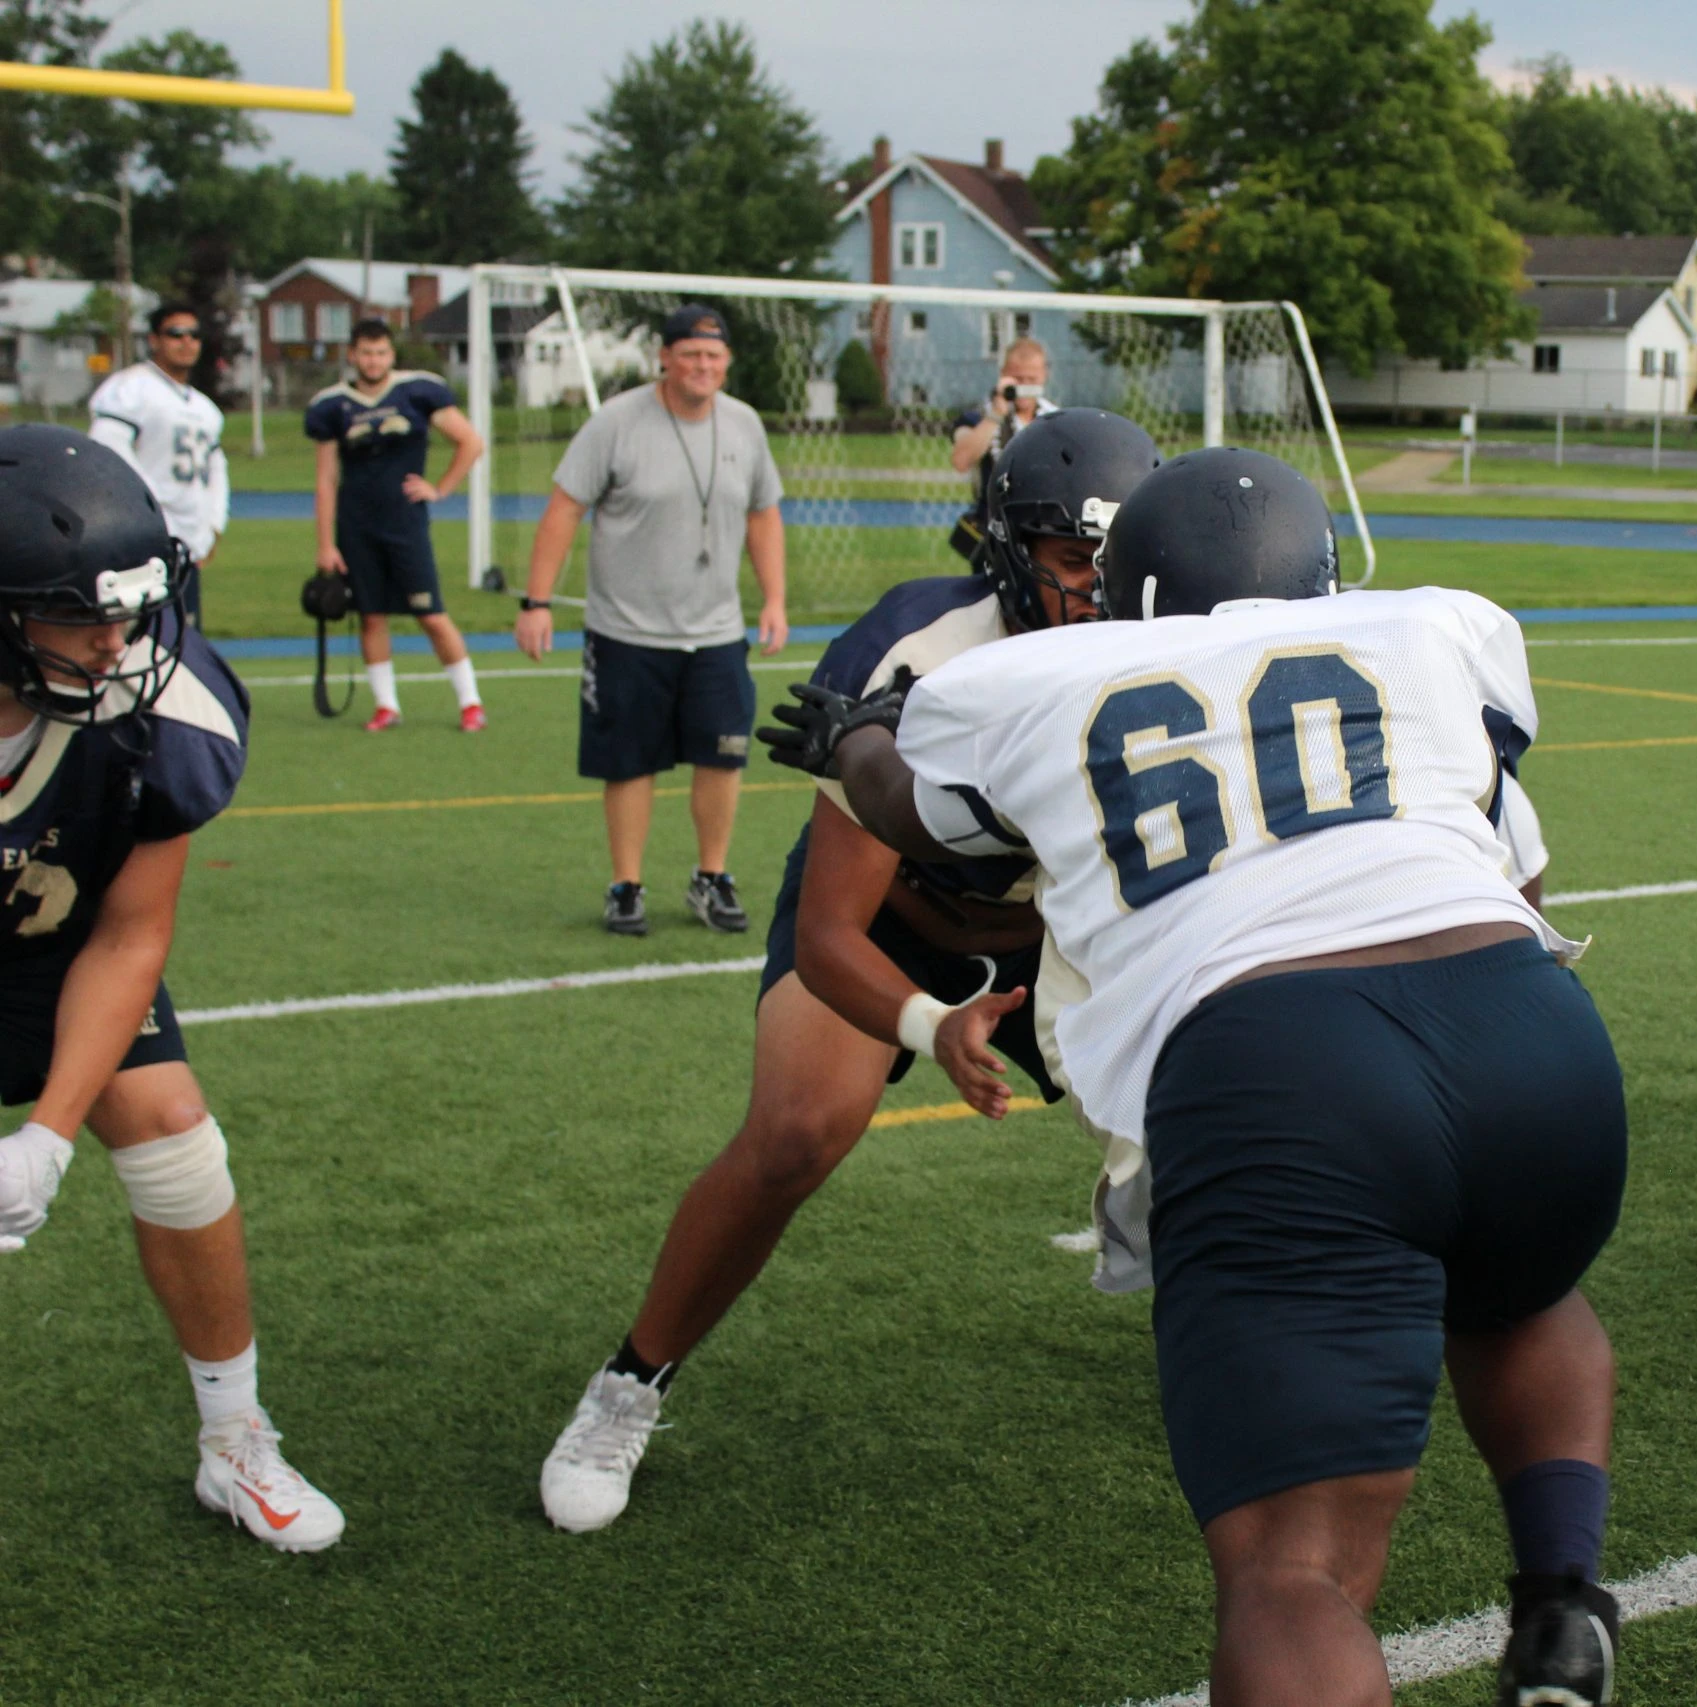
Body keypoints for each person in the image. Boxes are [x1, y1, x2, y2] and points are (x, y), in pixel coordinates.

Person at [790, 447, 1628, 1707]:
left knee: (1295, 1570)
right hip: (1532, 1027)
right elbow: (1520, 875)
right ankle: (1564, 1597)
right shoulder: (1427, 640)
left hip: (1283, 1068)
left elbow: (914, 815)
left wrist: (853, 732)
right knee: (1522, 1289)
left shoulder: (1040, 675)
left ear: (1126, 594)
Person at [535, 408, 1162, 1535]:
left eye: (1119, 559)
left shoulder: (1165, 645)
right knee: (794, 1134)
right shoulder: (918, 651)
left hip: (1070, 930)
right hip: (901, 922)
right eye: (1075, 559)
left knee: (1220, 1122)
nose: (1099, 587)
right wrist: (932, 1025)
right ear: (1013, 551)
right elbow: (833, 932)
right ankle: (630, 1382)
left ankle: (1264, 1355)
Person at [0, 425, 341, 1551]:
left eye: (130, 613)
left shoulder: (165, 712)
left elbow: (129, 938)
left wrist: (47, 1134)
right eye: (79, 615)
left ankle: (235, 1439)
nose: (116, 645)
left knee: (174, 1135)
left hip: (62, 946)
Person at [515, 304, 788, 938]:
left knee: (723, 758)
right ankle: (626, 884)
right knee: (629, 764)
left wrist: (773, 598)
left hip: (716, 631)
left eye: (714, 356)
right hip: (626, 632)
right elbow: (563, 509)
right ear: (664, 358)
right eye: (691, 354)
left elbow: (763, 514)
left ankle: (711, 877)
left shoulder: (744, 425)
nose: (703, 366)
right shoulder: (616, 423)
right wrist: (536, 602)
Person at [305, 317, 488, 733]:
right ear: (352, 355)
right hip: (356, 525)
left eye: (382, 352)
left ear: (392, 354)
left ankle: (470, 702)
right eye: (366, 352)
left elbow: (471, 441)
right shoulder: (332, 405)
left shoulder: (416, 392)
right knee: (371, 615)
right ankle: (386, 704)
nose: (374, 360)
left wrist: (440, 488)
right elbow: (325, 479)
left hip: (404, 523)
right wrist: (324, 544)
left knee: (431, 614)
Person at [87, 303, 227, 628]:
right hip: (145, 534)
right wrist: (150, 507)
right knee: (140, 633)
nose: (186, 342)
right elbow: (108, 445)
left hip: (188, 541)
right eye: (175, 333)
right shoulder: (130, 389)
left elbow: (216, 469)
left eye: (194, 334)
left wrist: (212, 525)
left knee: (184, 635)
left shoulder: (205, 407)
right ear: (154, 339)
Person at [945, 337, 1056, 564]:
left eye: (1031, 379)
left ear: (1044, 375)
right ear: (1004, 374)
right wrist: (997, 412)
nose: (1024, 386)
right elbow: (961, 460)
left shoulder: (1055, 418)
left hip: (1042, 532)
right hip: (994, 533)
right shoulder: (979, 416)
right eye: (1017, 379)